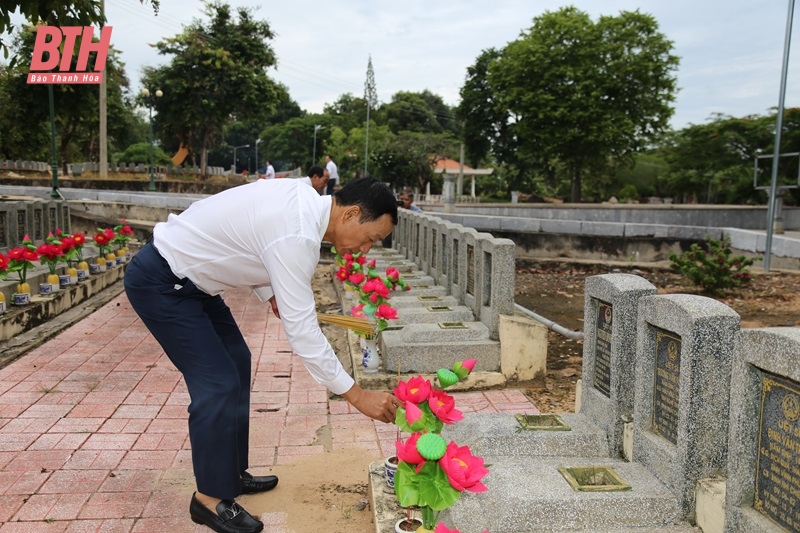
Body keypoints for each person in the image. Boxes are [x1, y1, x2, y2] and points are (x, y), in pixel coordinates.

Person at [123, 177, 402, 533]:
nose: (364, 250)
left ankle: (229, 475)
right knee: (217, 383)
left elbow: (255, 237)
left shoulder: (303, 197)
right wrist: (357, 395)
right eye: (370, 239)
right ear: (351, 214)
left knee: (236, 361)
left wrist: (272, 290)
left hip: (196, 284)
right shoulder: (298, 236)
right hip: (163, 283)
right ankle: (208, 500)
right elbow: (303, 332)